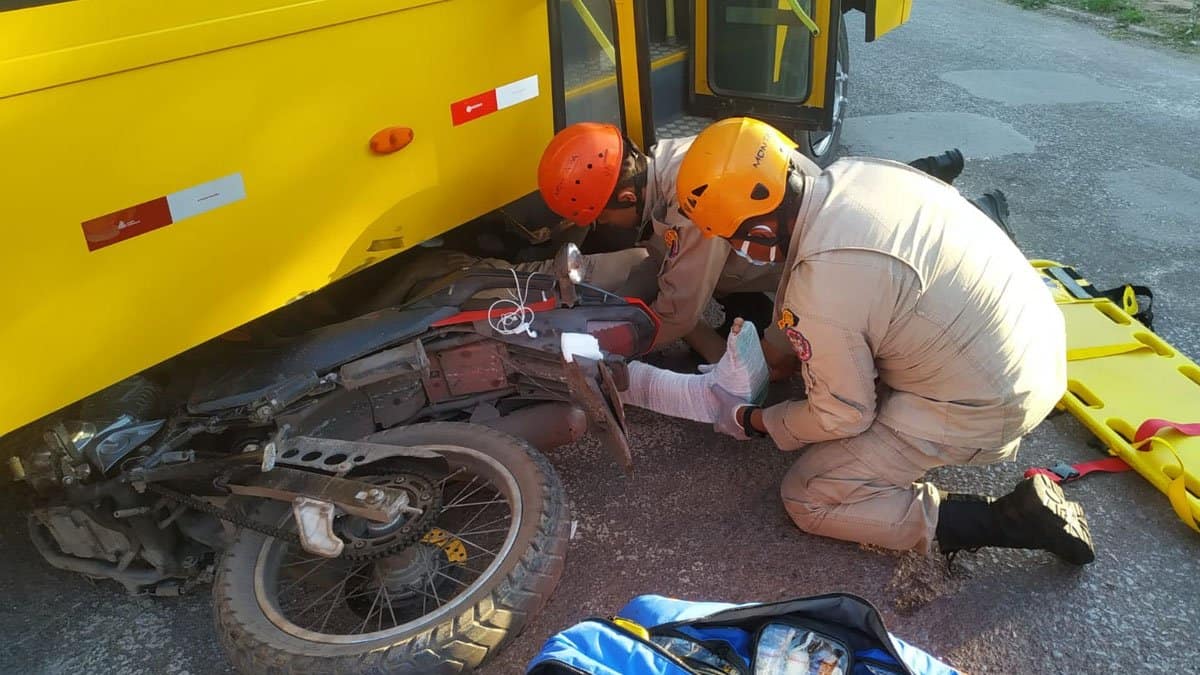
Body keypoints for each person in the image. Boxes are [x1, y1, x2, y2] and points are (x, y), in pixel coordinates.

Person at [673, 116, 1095, 565]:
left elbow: (844, 416)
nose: (738, 251)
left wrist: (756, 421)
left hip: (992, 402)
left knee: (808, 496)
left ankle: (1010, 519)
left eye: (733, 240)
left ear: (758, 231)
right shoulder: (856, 174)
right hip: (1037, 338)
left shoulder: (822, 287)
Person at [536, 122, 783, 363]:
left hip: (798, 277)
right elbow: (662, 267)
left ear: (627, 197)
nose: (603, 225)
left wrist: (601, 347)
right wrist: (610, 311)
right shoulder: (669, 164)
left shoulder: (691, 204)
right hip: (770, 254)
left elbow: (677, 315)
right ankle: (736, 352)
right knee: (673, 284)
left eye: (603, 217)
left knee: (774, 366)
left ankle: (763, 357)